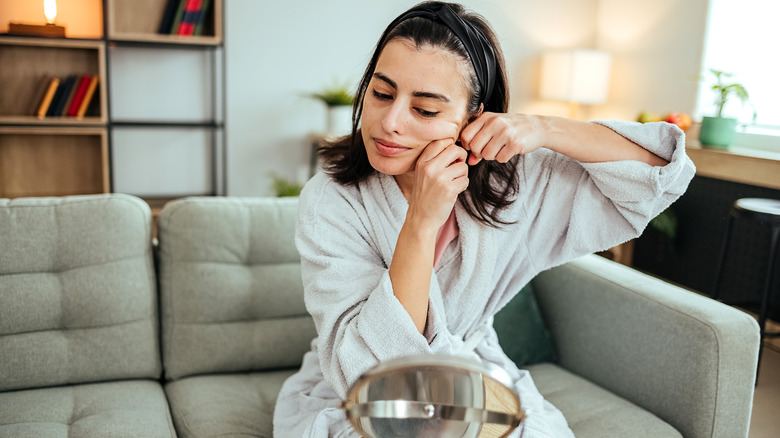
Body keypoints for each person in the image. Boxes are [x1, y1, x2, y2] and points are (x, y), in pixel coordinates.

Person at [273, 1, 695, 437]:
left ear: (474, 119)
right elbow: (375, 372)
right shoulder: (332, 198)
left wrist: (546, 128)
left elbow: (660, 175)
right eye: (381, 94)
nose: (390, 122)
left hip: (469, 377)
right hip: (356, 387)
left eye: (426, 110)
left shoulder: (515, 184)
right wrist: (421, 221)